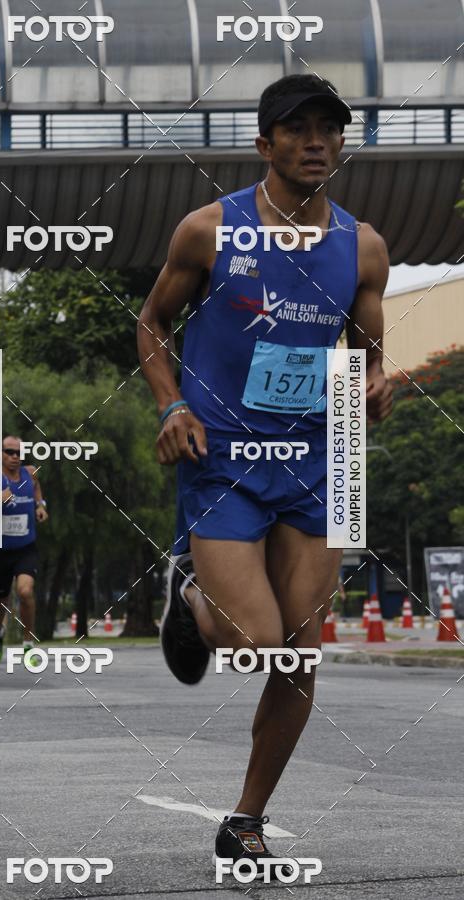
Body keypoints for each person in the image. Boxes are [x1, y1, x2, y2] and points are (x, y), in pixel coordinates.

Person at [137, 74, 393, 879]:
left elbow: (368, 353)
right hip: (226, 456)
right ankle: (190, 596)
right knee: (255, 642)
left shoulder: (366, 246)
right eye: (298, 129)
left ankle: (246, 819)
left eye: (330, 129)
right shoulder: (210, 232)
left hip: (324, 459)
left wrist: (377, 381)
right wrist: (171, 405)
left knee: (299, 654)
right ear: (264, 143)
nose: (317, 141)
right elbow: (152, 324)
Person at [0, 435, 48, 664]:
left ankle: (28, 643)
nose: (14, 457)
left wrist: (41, 506)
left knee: (25, 592)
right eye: (9, 452)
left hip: (26, 548)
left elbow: (37, 488)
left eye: (18, 453)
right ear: (0, 453)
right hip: (1, 551)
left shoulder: (30, 472)